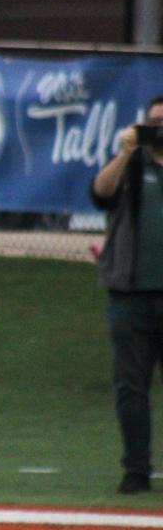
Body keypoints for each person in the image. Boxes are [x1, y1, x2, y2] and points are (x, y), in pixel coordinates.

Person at [91, 96, 163, 494]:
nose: (158, 129)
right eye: (152, 121)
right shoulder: (133, 165)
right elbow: (99, 194)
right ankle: (136, 468)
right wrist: (124, 152)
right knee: (131, 387)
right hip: (130, 295)